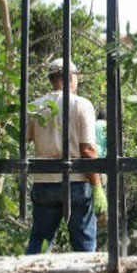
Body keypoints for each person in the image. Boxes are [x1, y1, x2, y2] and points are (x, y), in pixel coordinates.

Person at [25, 58, 107, 254]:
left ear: (51, 79)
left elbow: (24, 140)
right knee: (84, 244)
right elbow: (87, 150)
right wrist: (97, 187)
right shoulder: (81, 104)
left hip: (43, 182)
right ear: (71, 77)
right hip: (76, 183)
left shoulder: (35, 106)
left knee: (39, 241)